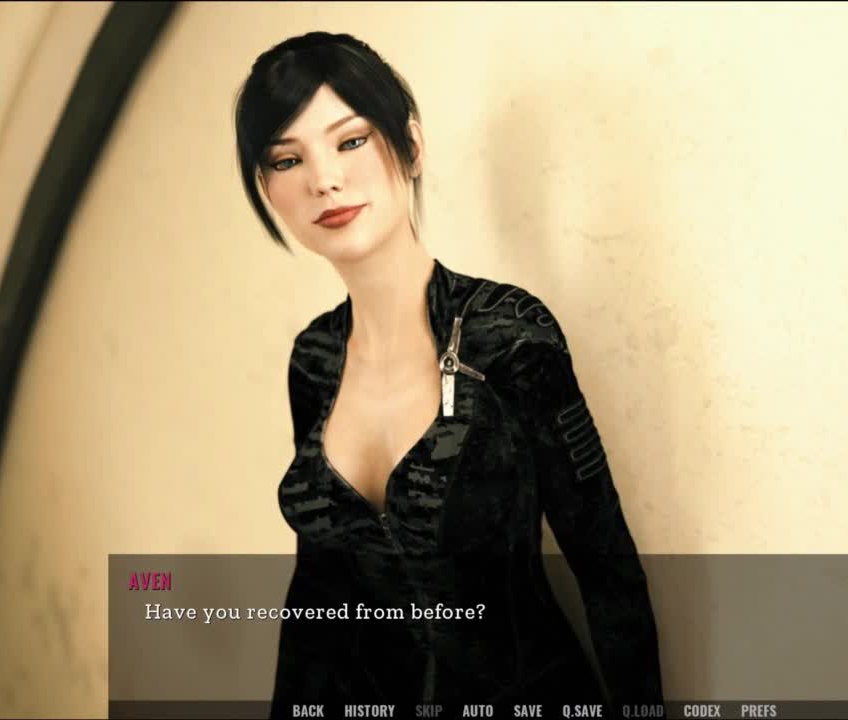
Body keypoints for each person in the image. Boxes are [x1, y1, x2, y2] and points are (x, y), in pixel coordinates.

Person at [234, 32, 664, 718]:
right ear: (268, 188)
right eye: (288, 159)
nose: (323, 179)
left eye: (350, 141)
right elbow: (317, 595)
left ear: (411, 145)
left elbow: (608, 571)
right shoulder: (314, 360)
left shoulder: (509, 333)